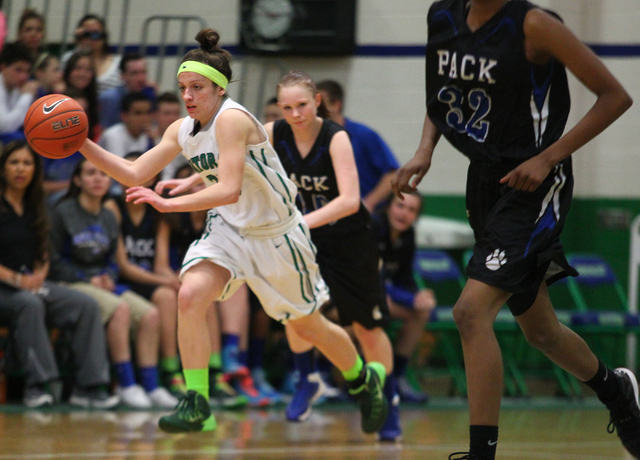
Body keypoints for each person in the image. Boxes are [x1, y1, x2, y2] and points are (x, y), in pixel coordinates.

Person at [78, 28, 387, 434]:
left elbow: (228, 188)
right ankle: (196, 399)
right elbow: (136, 172)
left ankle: (363, 380)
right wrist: (79, 141)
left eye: (197, 88)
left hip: (277, 234)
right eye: (183, 87)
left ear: (220, 90)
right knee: (189, 294)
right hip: (228, 229)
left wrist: (168, 203)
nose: (187, 96)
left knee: (308, 326)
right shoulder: (181, 129)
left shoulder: (233, 120)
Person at [391, 1, 634, 459]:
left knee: (469, 312)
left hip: (535, 182)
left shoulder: (535, 24)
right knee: (540, 331)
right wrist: (425, 148)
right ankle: (615, 390)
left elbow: (615, 96)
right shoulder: (442, 16)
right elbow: (441, 96)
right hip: (483, 181)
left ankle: (482, 454)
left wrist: (547, 158)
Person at [265, 70, 399, 441]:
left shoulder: (336, 137)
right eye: (286, 107)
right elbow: (226, 149)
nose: (295, 114)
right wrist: (189, 179)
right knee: (297, 315)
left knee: (367, 328)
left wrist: (300, 223)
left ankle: (386, 405)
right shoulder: (274, 132)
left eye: (302, 105)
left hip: (348, 240)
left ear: (317, 102)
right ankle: (306, 378)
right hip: (305, 242)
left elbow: (349, 200)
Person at [48, 157, 177, 409]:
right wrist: (88, 278)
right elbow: (53, 261)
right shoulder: (62, 212)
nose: (98, 179)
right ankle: (127, 384)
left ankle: (151, 386)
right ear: (77, 180)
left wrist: (107, 276)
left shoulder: (108, 216)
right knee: (121, 310)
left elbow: (113, 260)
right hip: (71, 283)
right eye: (90, 173)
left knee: (150, 314)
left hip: (105, 283)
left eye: (103, 174)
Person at [0, 140, 118, 409]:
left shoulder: (38, 206)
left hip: (32, 284)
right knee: (28, 304)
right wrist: (19, 281)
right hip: (6, 287)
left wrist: (39, 275)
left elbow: (44, 250)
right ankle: (37, 386)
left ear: (35, 170)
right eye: (14, 162)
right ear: (3, 168)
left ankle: (88, 387)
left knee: (85, 304)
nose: (21, 169)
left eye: (27, 163)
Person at [104, 152, 184, 397]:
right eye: (127, 171)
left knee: (171, 294)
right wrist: (166, 281)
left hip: (148, 280)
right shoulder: (113, 207)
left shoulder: (157, 211)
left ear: (153, 179)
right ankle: (163, 373)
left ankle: (171, 371)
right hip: (122, 280)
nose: (134, 177)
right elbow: (124, 266)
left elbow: (160, 264)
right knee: (167, 293)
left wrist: (175, 279)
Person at [370, 191, 436, 403]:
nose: (405, 214)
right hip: (345, 295)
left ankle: (397, 377)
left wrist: (419, 295)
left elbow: (404, 277)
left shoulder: (407, 237)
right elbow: (374, 278)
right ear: (388, 207)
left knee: (421, 312)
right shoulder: (373, 228)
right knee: (382, 305)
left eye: (412, 210)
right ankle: (353, 380)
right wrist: (410, 300)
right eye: (400, 206)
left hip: (378, 296)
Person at [316, 79, 399, 212]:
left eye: (320, 105)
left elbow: (392, 174)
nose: (315, 110)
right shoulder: (313, 139)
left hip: (363, 219)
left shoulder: (363, 135)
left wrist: (368, 204)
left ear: (336, 105)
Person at [61, 14, 121, 93]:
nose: (91, 39)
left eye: (96, 34)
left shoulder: (117, 63)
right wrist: (79, 43)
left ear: (104, 36)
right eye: (87, 34)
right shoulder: (68, 58)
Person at [99, 52, 158, 130]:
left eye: (143, 72)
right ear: (122, 76)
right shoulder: (110, 99)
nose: (141, 79)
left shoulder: (149, 95)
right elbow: (104, 132)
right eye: (134, 73)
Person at [0, 42, 37, 145]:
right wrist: (27, 96)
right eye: (18, 70)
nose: (23, 77)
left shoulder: (16, 88)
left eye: (27, 71)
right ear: (3, 67)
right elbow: (5, 128)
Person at [63, 49, 100, 141]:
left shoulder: (96, 101)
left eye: (88, 70)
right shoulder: (55, 96)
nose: (82, 74)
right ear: (68, 71)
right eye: (78, 68)